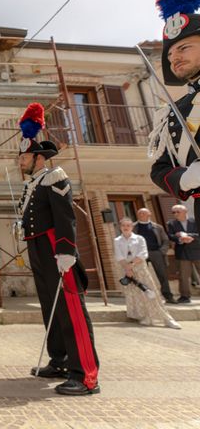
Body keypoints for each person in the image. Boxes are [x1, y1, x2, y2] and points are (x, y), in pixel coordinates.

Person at [17, 102, 100, 396]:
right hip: (38, 249)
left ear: (39, 157)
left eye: (24, 157)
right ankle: (61, 361)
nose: (20, 162)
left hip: (56, 249)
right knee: (50, 306)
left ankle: (86, 375)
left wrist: (66, 251)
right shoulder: (33, 183)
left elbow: (65, 217)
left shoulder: (54, 176)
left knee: (71, 309)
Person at [150, 0, 200, 272]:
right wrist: (188, 177)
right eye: (171, 54)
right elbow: (159, 168)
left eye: (184, 47)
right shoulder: (174, 112)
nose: (175, 58)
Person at [115, 217, 181, 329]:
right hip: (126, 269)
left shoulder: (139, 238)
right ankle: (145, 316)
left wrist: (131, 265)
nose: (126, 228)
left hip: (140, 267)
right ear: (120, 227)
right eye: (123, 226)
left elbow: (143, 253)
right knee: (136, 293)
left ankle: (167, 318)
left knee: (150, 291)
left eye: (128, 225)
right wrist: (127, 269)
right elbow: (119, 256)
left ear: (132, 227)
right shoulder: (117, 240)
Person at [133, 208, 176, 304]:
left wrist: (161, 251)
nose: (141, 214)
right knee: (141, 275)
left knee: (162, 275)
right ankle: (144, 298)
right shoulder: (133, 227)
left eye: (143, 213)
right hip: (140, 254)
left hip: (156, 252)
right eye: (139, 213)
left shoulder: (158, 227)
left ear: (149, 214)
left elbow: (165, 240)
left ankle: (168, 296)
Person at [166, 204, 200, 303]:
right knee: (183, 276)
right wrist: (181, 239)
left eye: (178, 212)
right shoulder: (171, 224)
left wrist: (189, 236)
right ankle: (185, 296)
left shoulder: (196, 221)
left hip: (197, 250)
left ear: (185, 212)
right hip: (183, 253)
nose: (175, 214)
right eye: (173, 212)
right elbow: (171, 236)